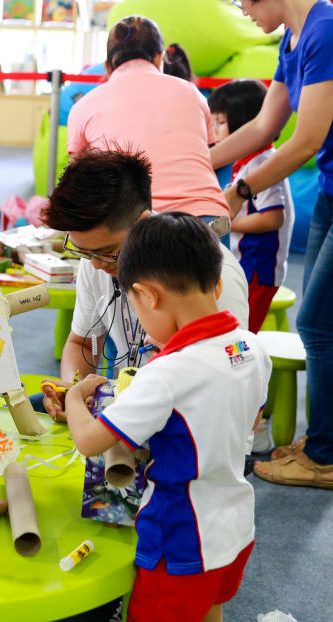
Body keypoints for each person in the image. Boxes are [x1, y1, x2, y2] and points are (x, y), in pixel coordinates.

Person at [64, 213, 270, 622]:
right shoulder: (251, 348)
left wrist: (74, 396)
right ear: (218, 283)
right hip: (235, 528)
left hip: (180, 539)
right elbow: (244, 418)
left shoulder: (167, 373)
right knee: (212, 610)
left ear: (147, 296)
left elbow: (88, 441)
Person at [210, 0, 333, 488]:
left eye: (246, 2)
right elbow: (264, 127)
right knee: (321, 322)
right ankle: (324, 441)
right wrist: (195, 161)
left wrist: (240, 192)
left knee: (316, 324)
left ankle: (323, 456)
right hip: (329, 190)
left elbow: (305, 140)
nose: (244, 11)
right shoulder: (293, 38)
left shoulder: (325, 30)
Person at [37, 148, 249, 421]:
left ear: (143, 222)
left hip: (184, 425)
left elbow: (229, 387)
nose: (95, 265)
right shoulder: (96, 260)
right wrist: (73, 391)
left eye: (107, 251)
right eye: (82, 252)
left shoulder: (209, 273)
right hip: (124, 406)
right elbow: (81, 342)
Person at [68, 16, 231, 244]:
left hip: (134, 226)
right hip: (206, 221)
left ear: (107, 66)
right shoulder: (192, 93)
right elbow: (210, 156)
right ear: (159, 58)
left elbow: (79, 180)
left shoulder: (83, 106)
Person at [208, 79, 295, 333]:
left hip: (259, 269)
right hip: (247, 263)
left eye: (221, 123)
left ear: (246, 122)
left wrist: (226, 225)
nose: (216, 132)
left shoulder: (263, 164)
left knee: (241, 332)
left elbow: (272, 219)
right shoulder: (247, 161)